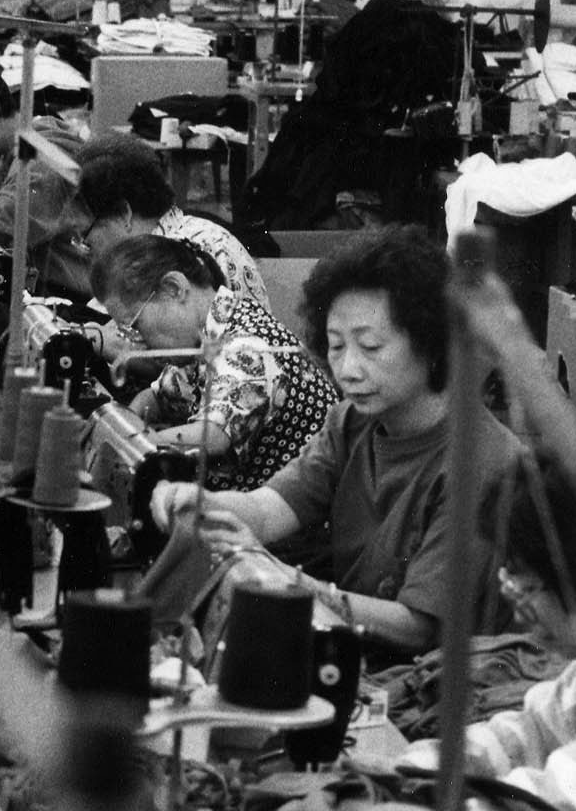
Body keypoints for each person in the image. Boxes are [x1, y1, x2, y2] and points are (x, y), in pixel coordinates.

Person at [150, 228, 521, 654]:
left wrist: (291, 582)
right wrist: (201, 504)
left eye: (369, 347)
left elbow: (416, 627)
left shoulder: (482, 465)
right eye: (336, 347)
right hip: (367, 653)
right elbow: (270, 511)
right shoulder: (354, 420)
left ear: (432, 343)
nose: (347, 369)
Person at [94, 232, 337, 490]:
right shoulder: (205, 339)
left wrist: (123, 441)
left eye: (134, 325)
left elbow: (212, 436)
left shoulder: (247, 345)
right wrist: (128, 420)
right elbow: (156, 398)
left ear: (173, 288)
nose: (137, 340)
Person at [75, 140, 266, 303]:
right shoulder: (163, 245)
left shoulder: (188, 253)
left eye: (86, 235)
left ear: (125, 214)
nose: (84, 249)